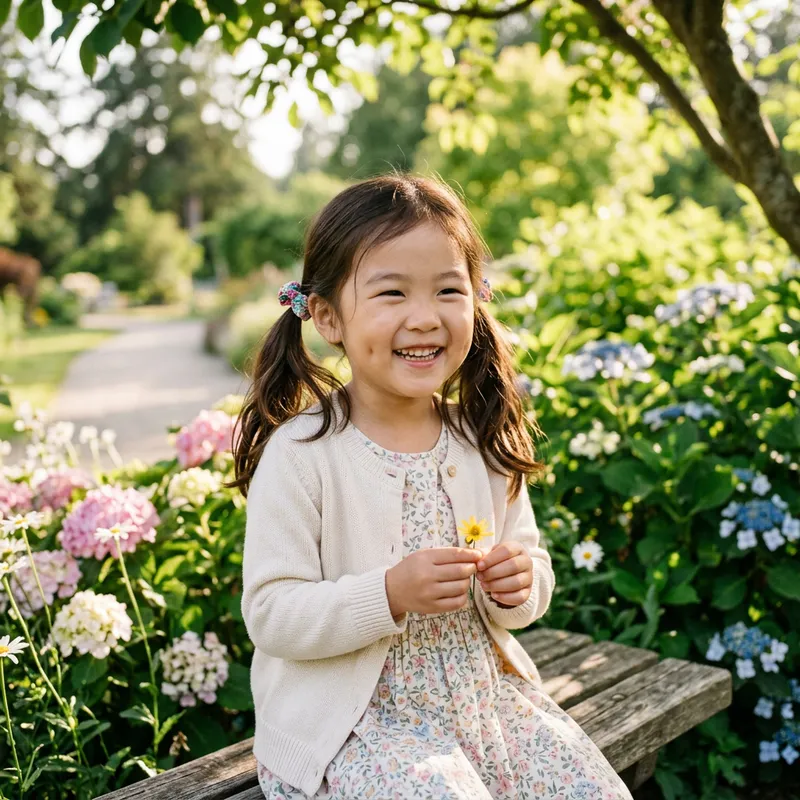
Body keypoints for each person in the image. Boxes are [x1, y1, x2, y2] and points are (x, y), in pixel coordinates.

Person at [233, 174, 634, 799]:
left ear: (476, 299)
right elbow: (271, 615)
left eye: (449, 290)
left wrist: (520, 584)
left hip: (483, 704)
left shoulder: (480, 440)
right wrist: (388, 593)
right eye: (391, 293)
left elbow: (532, 571)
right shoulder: (304, 454)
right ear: (329, 316)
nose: (424, 318)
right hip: (354, 726)